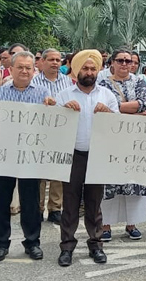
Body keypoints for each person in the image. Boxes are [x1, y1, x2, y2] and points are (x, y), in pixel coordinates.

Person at [0, 51, 55, 262]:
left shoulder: (43, 94)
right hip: (4, 156)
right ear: (11, 69)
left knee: (30, 202)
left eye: (29, 67)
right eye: (20, 67)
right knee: (1, 202)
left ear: (34, 70)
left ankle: (32, 242)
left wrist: (53, 108)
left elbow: (52, 124)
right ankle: (0, 244)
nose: (25, 71)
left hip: (30, 157)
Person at [55, 49, 118, 267]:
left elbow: (118, 127)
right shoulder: (64, 95)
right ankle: (67, 247)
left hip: (97, 156)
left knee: (94, 203)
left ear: (98, 70)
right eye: (85, 67)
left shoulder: (107, 96)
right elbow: (52, 123)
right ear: (76, 70)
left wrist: (108, 113)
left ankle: (96, 244)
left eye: (93, 68)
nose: (89, 71)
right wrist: (63, 110)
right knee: (70, 203)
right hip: (72, 155)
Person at [97, 49, 146, 241]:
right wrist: (131, 109)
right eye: (120, 60)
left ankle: (131, 224)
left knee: (134, 181)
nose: (125, 64)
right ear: (112, 62)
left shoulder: (140, 81)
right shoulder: (102, 83)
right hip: (111, 140)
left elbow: (144, 104)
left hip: (135, 140)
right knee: (109, 183)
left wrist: (116, 108)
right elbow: (102, 107)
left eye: (129, 61)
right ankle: (105, 225)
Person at [30, 48, 71, 225]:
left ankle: (55, 208)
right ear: (42, 62)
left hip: (61, 132)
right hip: (39, 132)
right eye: (51, 59)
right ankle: (37, 209)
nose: (55, 62)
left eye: (58, 60)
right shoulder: (33, 81)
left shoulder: (69, 82)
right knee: (38, 173)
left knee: (58, 171)